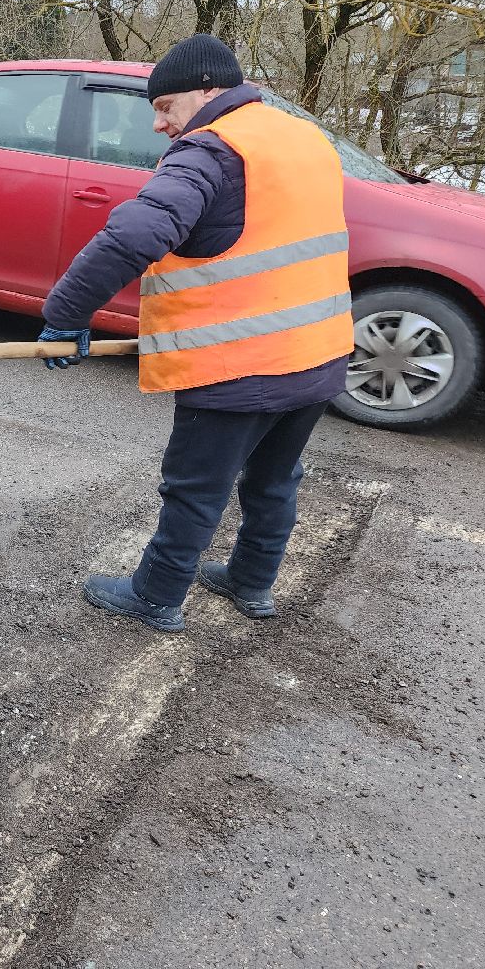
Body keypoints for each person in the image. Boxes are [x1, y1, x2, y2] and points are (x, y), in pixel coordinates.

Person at [38, 33, 352, 633]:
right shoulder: (302, 137)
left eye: (165, 107)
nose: (159, 124)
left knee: (194, 489)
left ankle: (157, 596)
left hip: (239, 365)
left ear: (209, 91)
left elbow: (133, 235)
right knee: (273, 481)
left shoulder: (210, 151)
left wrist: (66, 315)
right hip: (317, 354)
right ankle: (252, 582)